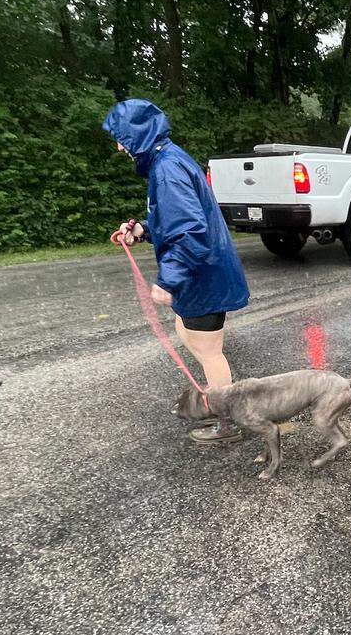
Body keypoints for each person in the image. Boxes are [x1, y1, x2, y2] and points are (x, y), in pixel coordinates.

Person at [104, 99, 250, 444]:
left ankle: (227, 421)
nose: (120, 147)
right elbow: (173, 220)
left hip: (203, 276)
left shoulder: (167, 168)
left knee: (209, 350)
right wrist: (143, 229)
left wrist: (168, 280)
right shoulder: (168, 161)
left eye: (122, 139)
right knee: (187, 332)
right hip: (201, 274)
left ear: (138, 135)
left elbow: (189, 231)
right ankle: (217, 395)